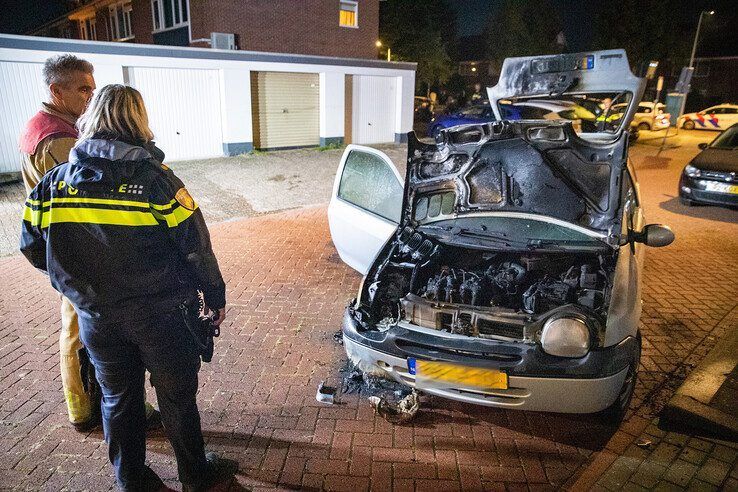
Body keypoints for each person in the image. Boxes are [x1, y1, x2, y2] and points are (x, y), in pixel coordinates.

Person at [20, 84, 237, 491]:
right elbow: (195, 249)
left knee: (117, 399)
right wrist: (215, 296)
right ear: (138, 120)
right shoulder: (158, 182)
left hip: (96, 319)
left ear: (89, 119)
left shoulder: (53, 184)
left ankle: (130, 482)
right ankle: (194, 476)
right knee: (176, 398)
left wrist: (78, 284)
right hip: (162, 318)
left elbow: (31, 245)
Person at [18, 54, 160, 433]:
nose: (89, 96)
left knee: (78, 332)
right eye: (83, 89)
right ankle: (89, 410)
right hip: (83, 259)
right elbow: (90, 204)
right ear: (56, 91)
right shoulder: (61, 141)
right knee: (83, 336)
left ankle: (91, 407)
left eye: (93, 88)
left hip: (69, 256)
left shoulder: (42, 127)